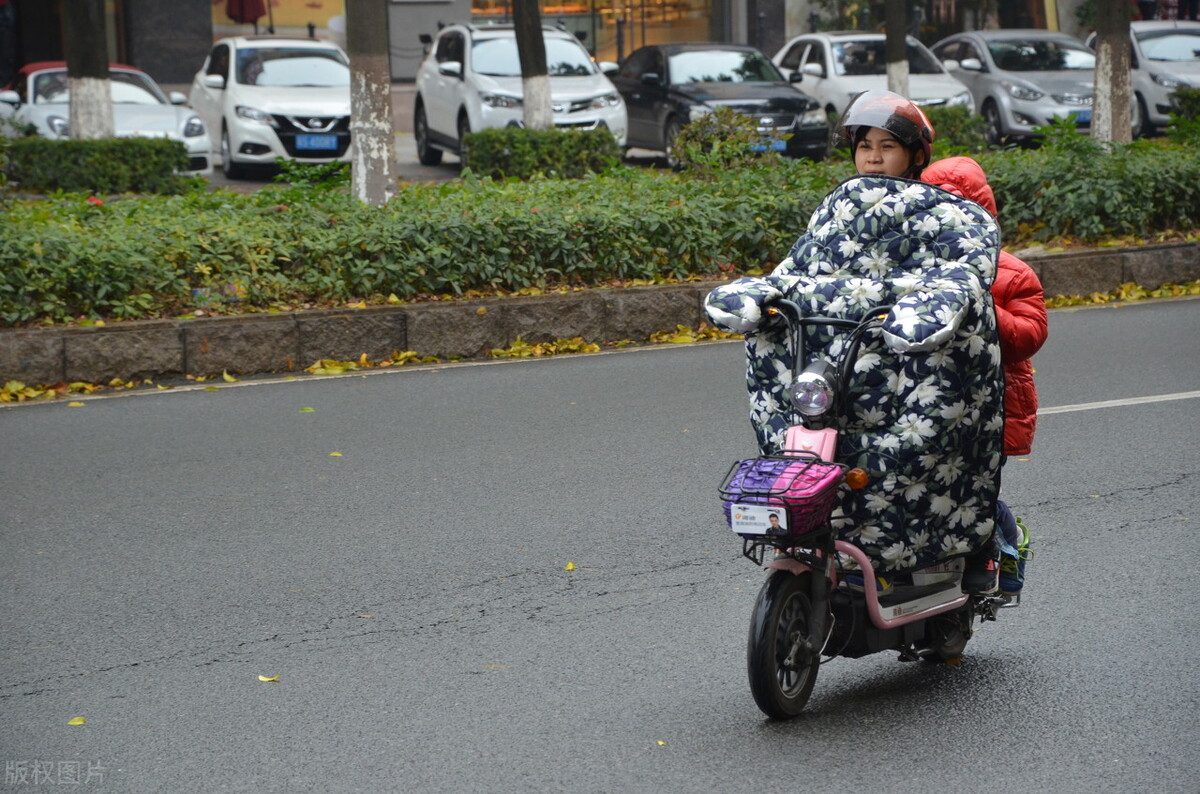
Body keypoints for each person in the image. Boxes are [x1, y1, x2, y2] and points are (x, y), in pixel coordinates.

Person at [705, 90, 1005, 580]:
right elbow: (794, 271)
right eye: (864, 145)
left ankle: (965, 560)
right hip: (837, 372)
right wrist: (756, 296)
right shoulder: (837, 211)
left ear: (915, 155)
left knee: (929, 466)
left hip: (906, 368)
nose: (873, 156)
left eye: (887, 146)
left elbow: (960, 278)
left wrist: (927, 311)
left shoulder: (955, 216)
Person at [922, 156, 1047, 593]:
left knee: (972, 492)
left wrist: (983, 310)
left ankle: (1005, 547)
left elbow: (1029, 336)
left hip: (992, 404)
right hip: (929, 399)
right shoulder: (912, 266)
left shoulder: (1009, 272)